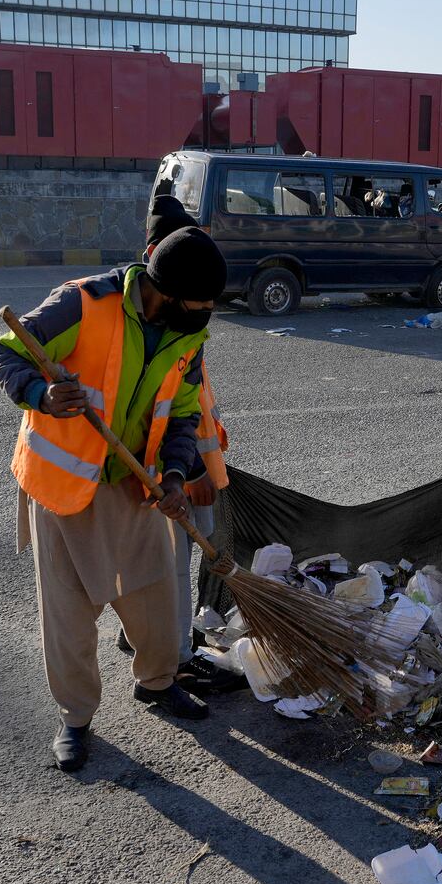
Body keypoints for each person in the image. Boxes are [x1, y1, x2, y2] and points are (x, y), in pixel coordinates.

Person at [0, 224, 228, 773]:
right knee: (69, 611)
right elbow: (5, 353)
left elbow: (183, 414)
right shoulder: (83, 304)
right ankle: (75, 718)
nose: (206, 314)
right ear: (164, 291)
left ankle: (157, 683)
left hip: (133, 482)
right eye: (199, 303)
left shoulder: (186, 337)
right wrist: (41, 394)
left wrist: (172, 474)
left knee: (155, 590)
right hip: (65, 486)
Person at [115, 193, 245, 699]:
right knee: (167, 566)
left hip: (186, 462)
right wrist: (190, 473)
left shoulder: (177, 324)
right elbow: (158, 414)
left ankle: (153, 640)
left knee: (169, 564)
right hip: (171, 471)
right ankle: (177, 661)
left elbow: (190, 404)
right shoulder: (143, 319)